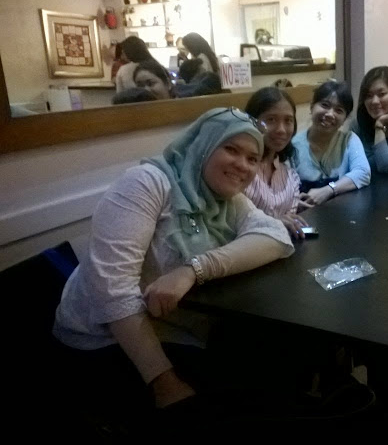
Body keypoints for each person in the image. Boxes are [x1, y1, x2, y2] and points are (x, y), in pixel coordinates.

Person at [53, 108, 294, 414]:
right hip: (105, 340)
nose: (242, 165)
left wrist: (194, 269)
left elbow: (275, 236)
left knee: (279, 354)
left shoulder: (226, 199)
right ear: (203, 145)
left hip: (179, 327)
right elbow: (113, 293)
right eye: (231, 149)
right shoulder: (147, 183)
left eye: (252, 158)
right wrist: (164, 381)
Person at [243, 87, 311, 238]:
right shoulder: (240, 170)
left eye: (288, 121)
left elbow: (290, 222)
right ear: (252, 121)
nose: (281, 130)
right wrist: (274, 223)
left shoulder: (290, 177)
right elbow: (230, 226)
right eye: (271, 120)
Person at [292, 80, 371, 206]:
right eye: (325, 105)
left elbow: (363, 172)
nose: (330, 114)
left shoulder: (349, 140)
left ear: (345, 118)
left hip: (342, 212)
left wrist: (329, 190)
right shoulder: (292, 146)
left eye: (339, 110)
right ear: (312, 107)